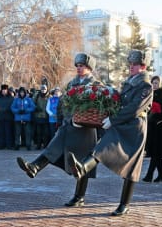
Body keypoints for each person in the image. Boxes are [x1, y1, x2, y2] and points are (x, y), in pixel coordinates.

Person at [67, 49, 153, 216]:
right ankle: (82, 168)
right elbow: (119, 102)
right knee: (102, 148)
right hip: (121, 125)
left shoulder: (146, 86)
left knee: (131, 167)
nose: (131, 67)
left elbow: (134, 108)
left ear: (143, 66)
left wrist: (113, 120)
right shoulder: (130, 82)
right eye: (131, 64)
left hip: (134, 128)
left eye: (134, 65)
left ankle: (124, 204)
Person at [17, 53, 100, 208]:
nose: (79, 68)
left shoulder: (95, 84)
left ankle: (79, 196)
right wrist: (62, 118)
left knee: (81, 162)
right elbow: (64, 103)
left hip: (85, 128)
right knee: (53, 147)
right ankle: (35, 167)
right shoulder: (72, 83)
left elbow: (98, 105)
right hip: (68, 125)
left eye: (82, 66)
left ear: (89, 68)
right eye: (77, 66)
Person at [142, 75, 162, 182]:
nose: (154, 85)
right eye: (153, 82)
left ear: (161, 83)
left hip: (161, 127)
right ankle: (161, 175)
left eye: (156, 83)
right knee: (156, 153)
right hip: (151, 127)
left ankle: (149, 175)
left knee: (156, 152)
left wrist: (159, 116)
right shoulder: (150, 94)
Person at [0, 84, 15, 150]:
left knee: (8, 132)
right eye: (3, 90)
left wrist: (6, 109)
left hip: (8, 117)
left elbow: (12, 107)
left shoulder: (11, 98)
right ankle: (1, 145)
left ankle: (9, 145)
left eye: (5, 90)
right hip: (0, 117)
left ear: (7, 91)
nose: (4, 91)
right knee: (1, 132)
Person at [33, 84, 49, 150]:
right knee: (38, 133)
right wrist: (36, 108)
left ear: (46, 90)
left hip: (46, 117)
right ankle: (38, 145)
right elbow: (32, 104)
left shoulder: (49, 97)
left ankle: (45, 145)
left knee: (45, 133)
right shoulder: (37, 96)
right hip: (38, 117)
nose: (43, 90)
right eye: (42, 89)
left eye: (44, 89)